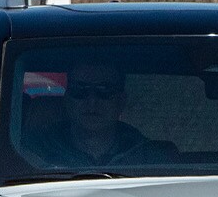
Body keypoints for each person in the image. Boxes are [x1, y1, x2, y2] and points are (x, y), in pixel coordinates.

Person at [21, 62, 172, 169]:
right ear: (67, 99)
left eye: (104, 91)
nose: (92, 101)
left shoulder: (150, 158)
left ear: (121, 101)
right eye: (80, 91)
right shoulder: (31, 153)